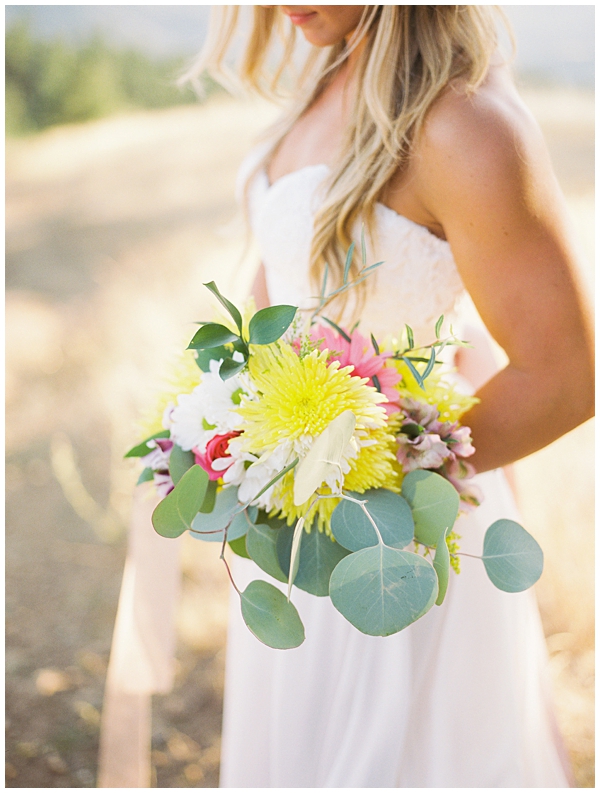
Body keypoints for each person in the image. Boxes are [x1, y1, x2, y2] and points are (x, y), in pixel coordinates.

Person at [99, 5, 593, 788]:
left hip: (395, 543)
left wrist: (365, 473)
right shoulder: (328, 76)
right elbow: (281, 308)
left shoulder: (461, 123)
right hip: (296, 536)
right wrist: (231, 433)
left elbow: (565, 376)